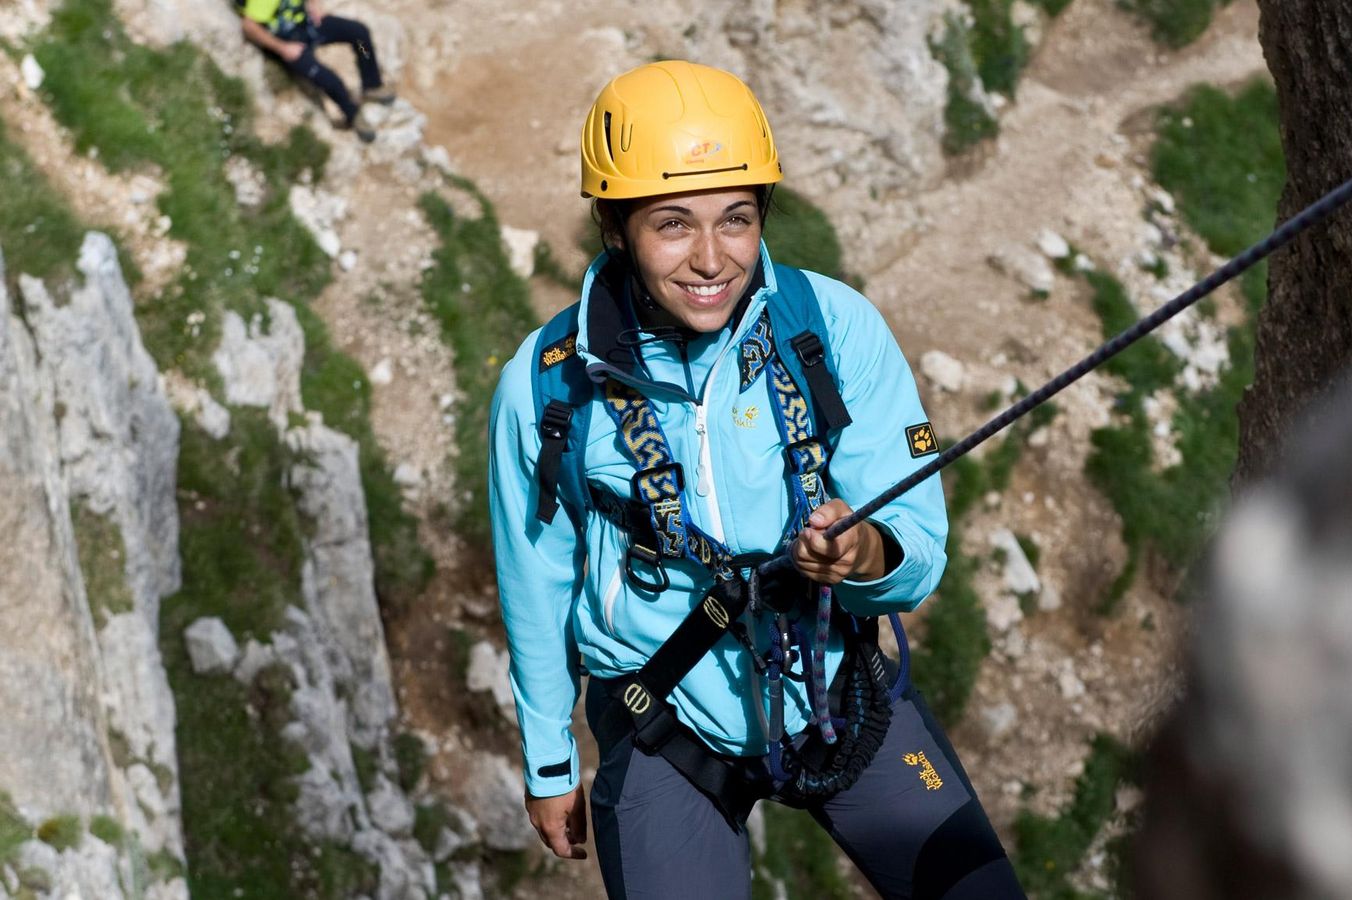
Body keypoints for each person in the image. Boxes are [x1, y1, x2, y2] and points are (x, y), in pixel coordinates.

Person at [489, 60, 1027, 899]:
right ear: (615, 226)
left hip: (838, 685)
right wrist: (550, 762)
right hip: (663, 718)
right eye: (673, 224)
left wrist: (863, 553)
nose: (712, 258)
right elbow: (535, 578)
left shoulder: (831, 330)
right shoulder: (549, 385)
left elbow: (919, 547)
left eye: (735, 219)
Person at [237, 0, 395, 142]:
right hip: (287, 42)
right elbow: (249, 26)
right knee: (330, 80)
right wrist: (282, 48)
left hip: (306, 25)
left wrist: (313, 3)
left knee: (360, 35)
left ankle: (372, 85)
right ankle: (353, 114)